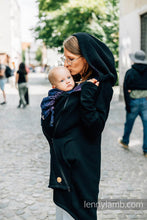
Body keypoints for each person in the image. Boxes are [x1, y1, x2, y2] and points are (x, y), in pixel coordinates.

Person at [41, 32, 117, 220]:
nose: (66, 64)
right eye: (65, 58)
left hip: (80, 168)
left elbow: (94, 127)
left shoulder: (98, 85)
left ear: (86, 57)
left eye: (71, 59)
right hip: (64, 166)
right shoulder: (75, 82)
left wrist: (87, 95)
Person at [119, 50, 147, 157]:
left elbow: (126, 90)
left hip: (133, 101)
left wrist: (127, 105)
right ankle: (146, 150)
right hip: (145, 101)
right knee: (146, 126)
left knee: (129, 123)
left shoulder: (130, 72)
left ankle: (125, 141)